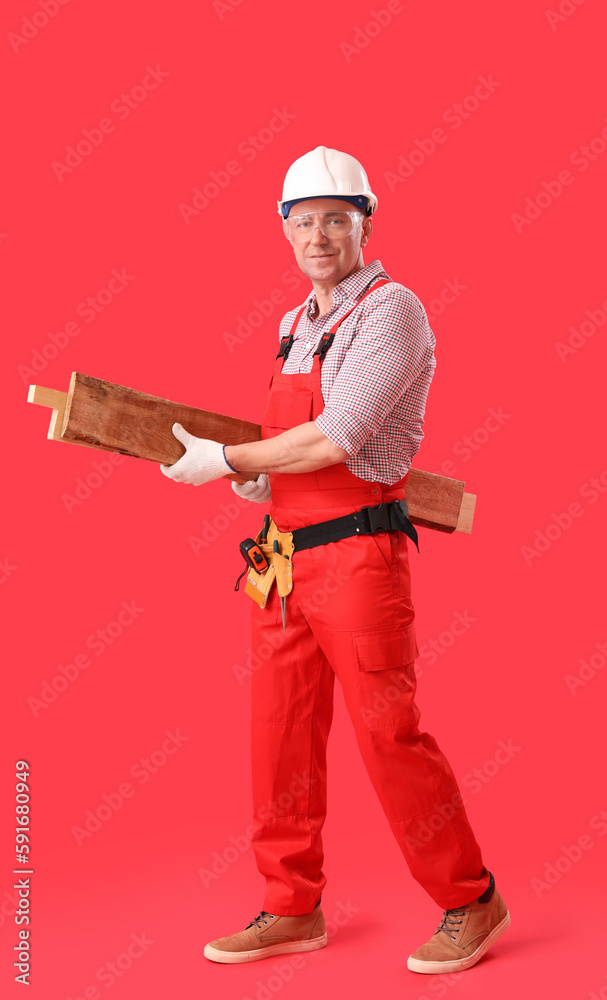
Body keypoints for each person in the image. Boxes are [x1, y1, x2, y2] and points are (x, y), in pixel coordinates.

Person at [160, 145, 510, 974]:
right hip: (281, 559)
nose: (318, 236)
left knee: (389, 733)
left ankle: (471, 898)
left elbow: (339, 433)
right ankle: (289, 907)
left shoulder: (392, 311)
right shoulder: (295, 323)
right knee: (276, 734)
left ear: (364, 222)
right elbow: (289, 446)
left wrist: (232, 461)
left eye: (335, 221)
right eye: (303, 222)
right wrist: (254, 485)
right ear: (285, 231)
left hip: (358, 554)